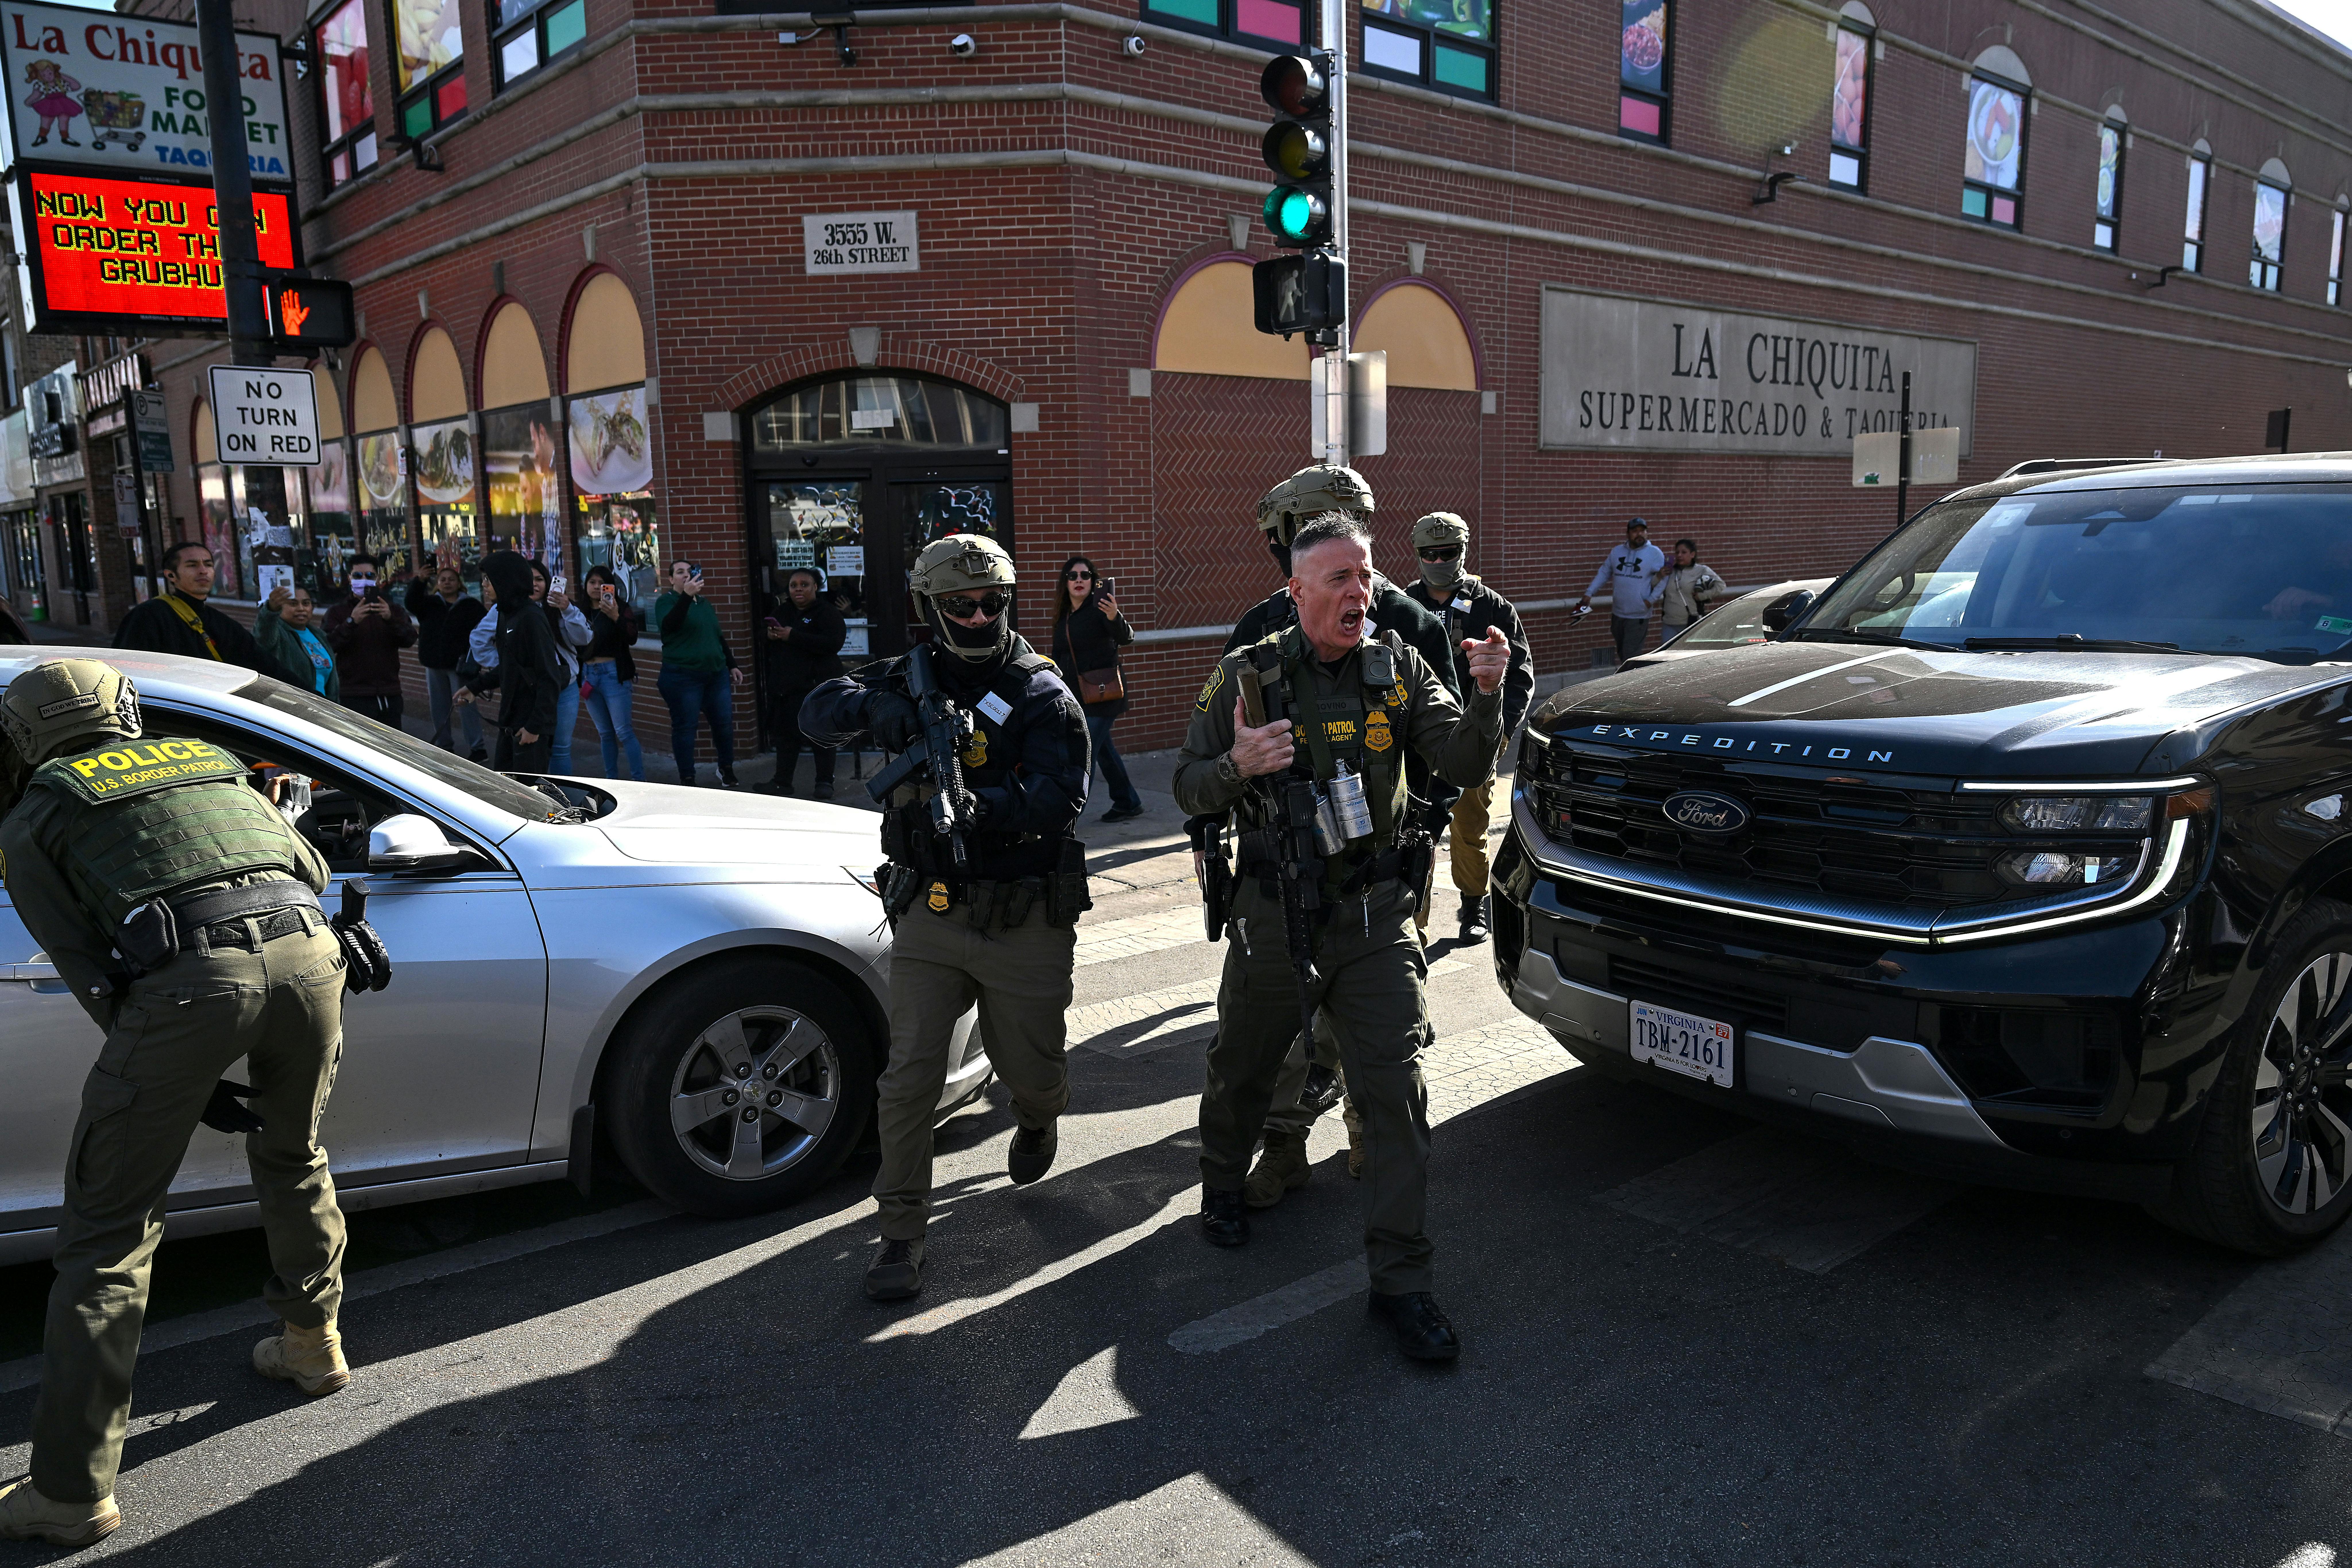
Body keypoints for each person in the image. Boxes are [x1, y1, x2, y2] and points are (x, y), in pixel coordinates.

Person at [0, 660, 354, 1548]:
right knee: (293, 1149)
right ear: (126, 712)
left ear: (24, 734)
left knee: (109, 1232)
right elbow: (305, 864)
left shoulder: (38, 812)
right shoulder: (203, 756)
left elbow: (82, 961)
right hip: (312, 958)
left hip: (190, 989)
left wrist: (166, 1070)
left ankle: (72, 1489)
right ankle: (313, 1342)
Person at [1175, 513, 1510, 1362]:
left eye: (1365, 576)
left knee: (1397, 1092)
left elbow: (1467, 764)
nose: (1359, 591)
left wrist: (1486, 691)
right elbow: (1186, 783)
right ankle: (1222, 1183)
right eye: (1338, 579)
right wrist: (1235, 768)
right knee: (1245, 1071)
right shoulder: (1246, 675)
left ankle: (1402, 1280)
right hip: (1273, 915)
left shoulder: (1397, 667)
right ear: (1297, 592)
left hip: (1373, 918)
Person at [801, 533, 1092, 1303]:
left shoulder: (1040, 691)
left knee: (1032, 1065)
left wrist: (976, 803)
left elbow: (1061, 800)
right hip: (930, 911)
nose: (978, 614)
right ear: (931, 607)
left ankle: (1036, 1115)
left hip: (1022, 916)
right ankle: (901, 1231)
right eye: (961, 604)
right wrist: (881, 709)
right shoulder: (906, 675)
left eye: (992, 600)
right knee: (909, 1079)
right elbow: (815, 711)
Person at [1211, 466, 1459, 1208]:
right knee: (1289, 1028)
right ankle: (1284, 1147)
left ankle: (1366, 1134)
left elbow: (1444, 746)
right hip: (1287, 867)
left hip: (1382, 863)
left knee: (1377, 1025)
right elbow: (1226, 728)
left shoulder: (1412, 623)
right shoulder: (1263, 622)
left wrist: (1422, 826)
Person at [1402, 512, 1535, 944]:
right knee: (1415, 832)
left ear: (1465, 550)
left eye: (1450, 552)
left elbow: (1520, 677)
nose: (1440, 560)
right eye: (1430, 553)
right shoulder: (1403, 606)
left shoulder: (1493, 608)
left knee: (1470, 828)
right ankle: (1412, 922)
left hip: (1474, 739)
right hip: (1419, 745)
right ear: (1417, 554)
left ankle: (1473, 907)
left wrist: (1499, 736)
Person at [113, 541, 302, 685]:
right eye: (193, 565)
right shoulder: (148, 617)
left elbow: (266, 667)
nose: (204, 571)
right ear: (171, 575)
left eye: (209, 564)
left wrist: (314, 698)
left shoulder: (222, 623)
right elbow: (125, 675)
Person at [1051, 554, 1144, 824]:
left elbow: (1127, 637)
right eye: (1073, 576)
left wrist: (1115, 616)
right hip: (1078, 696)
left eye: (1085, 575)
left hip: (1104, 694)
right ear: (1066, 583)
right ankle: (1128, 801)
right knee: (1103, 750)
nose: (1079, 580)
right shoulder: (1064, 616)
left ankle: (1069, 817)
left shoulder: (1100, 609)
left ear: (1093, 581)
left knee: (1084, 752)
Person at [656, 560, 745, 788]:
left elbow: (718, 637)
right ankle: (688, 777)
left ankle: (726, 769)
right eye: (680, 572)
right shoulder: (666, 601)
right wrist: (686, 596)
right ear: (671, 579)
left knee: (724, 725)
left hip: (716, 676)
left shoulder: (705, 604)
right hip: (683, 677)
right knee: (686, 727)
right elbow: (670, 626)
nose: (686, 576)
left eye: (690, 571)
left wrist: (732, 665)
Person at [759, 567, 846, 798]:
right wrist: (770, 636)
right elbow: (766, 641)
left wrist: (793, 636)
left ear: (815, 587)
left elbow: (833, 643)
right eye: (794, 585)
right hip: (787, 689)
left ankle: (825, 783)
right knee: (786, 739)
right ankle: (782, 782)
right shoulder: (782, 611)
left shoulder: (827, 613)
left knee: (822, 736)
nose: (798, 589)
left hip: (818, 687)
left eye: (804, 585)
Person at [473, 550, 563, 772]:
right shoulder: (505, 614)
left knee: (530, 796)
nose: (484, 585)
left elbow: (549, 678)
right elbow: (509, 667)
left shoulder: (531, 618)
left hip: (529, 727)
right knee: (504, 790)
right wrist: (473, 688)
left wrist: (534, 727)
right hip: (509, 723)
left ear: (505, 580)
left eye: (488, 579)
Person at [321, 556, 416, 728]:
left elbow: (410, 639)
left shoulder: (391, 609)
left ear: (377, 578)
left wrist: (390, 619)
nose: (364, 581)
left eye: (370, 576)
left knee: (394, 747)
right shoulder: (337, 612)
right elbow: (328, 646)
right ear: (349, 578)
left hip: (390, 692)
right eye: (358, 576)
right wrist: (351, 622)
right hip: (355, 693)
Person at [404, 564, 486, 759]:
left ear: (459, 583)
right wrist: (420, 580)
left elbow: (485, 631)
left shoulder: (471, 606)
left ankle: (478, 748)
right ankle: (444, 746)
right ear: (437, 584)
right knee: (439, 707)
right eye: (443, 580)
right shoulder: (428, 604)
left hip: (460, 666)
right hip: (434, 664)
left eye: (452, 579)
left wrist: (474, 657)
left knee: (466, 705)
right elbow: (411, 602)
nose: (447, 583)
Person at [579, 565, 646, 781]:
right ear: (586, 585)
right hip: (588, 674)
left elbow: (632, 638)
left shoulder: (620, 608)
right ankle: (612, 781)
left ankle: (640, 781)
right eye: (592, 583)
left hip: (613, 674)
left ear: (611, 587)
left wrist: (616, 616)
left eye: (602, 583)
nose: (597, 587)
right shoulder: (580, 611)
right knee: (605, 734)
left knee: (624, 732)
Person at [529, 561, 594, 774]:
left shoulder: (563, 609)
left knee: (561, 749)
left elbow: (584, 638)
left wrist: (567, 609)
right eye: (530, 579)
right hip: (531, 688)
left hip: (564, 686)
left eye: (539, 579)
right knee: (533, 746)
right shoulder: (511, 609)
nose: (535, 585)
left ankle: (561, 800)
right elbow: (481, 639)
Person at [1576, 517, 1666, 664]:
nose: (1640, 535)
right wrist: (1589, 593)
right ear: (1628, 534)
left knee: (1630, 655)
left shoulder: (1655, 554)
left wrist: (1651, 601)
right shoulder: (1618, 552)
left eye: (1643, 531)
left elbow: (1664, 578)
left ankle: (1628, 685)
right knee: (1623, 652)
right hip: (1618, 612)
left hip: (1639, 614)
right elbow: (1605, 572)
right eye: (1635, 531)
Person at [254, 584, 340, 701]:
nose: (301, 609)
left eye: (306, 603)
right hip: (292, 709)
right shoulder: (277, 634)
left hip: (324, 709)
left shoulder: (319, 635)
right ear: (280, 607)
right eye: (293, 604)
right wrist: (270, 610)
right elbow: (264, 636)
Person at [1648, 537, 1727, 641]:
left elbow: (1721, 585)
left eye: (1684, 552)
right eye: (1677, 553)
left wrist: (1703, 596)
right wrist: (1659, 576)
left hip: (1691, 622)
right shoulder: (1669, 571)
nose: (1680, 556)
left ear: (1693, 555)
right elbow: (1652, 586)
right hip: (1669, 622)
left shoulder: (1701, 570)